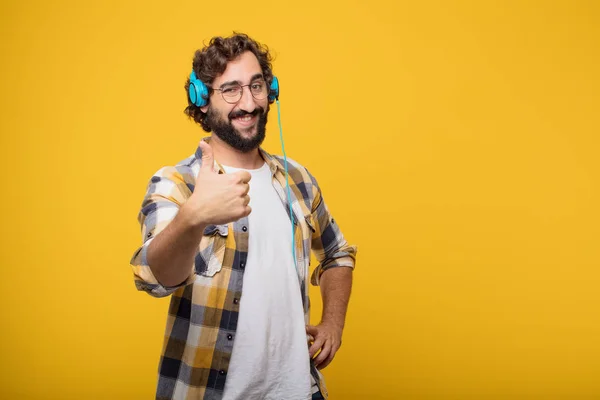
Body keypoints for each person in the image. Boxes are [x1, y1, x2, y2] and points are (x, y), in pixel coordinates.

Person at [130, 33, 357, 400]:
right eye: (231, 90)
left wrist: (333, 323)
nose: (248, 103)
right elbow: (157, 279)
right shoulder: (176, 184)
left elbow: (338, 254)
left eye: (256, 86)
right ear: (202, 101)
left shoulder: (298, 180)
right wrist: (192, 217)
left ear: (272, 91)